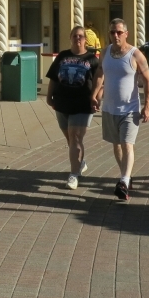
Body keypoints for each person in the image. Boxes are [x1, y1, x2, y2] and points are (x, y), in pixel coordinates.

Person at [91, 18, 149, 201]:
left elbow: (148, 82)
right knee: (116, 145)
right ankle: (125, 176)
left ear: (126, 33)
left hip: (130, 109)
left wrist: (148, 106)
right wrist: (94, 95)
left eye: (119, 32)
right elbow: (100, 74)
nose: (115, 35)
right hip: (109, 108)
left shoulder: (136, 55)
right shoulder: (105, 53)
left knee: (127, 144)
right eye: (112, 32)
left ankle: (124, 181)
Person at [45, 26, 100, 189]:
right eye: (75, 36)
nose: (78, 38)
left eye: (81, 36)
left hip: (83, 104)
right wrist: (49, 97)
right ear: (70, 38)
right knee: (70, 139)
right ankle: (80, 162)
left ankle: (74, 175)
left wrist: (97, 98)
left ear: (85, 40)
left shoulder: (92, 59)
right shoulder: (62, 56)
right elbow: (54, 78)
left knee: (76, 138)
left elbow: (100, 82)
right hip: (62, 103)